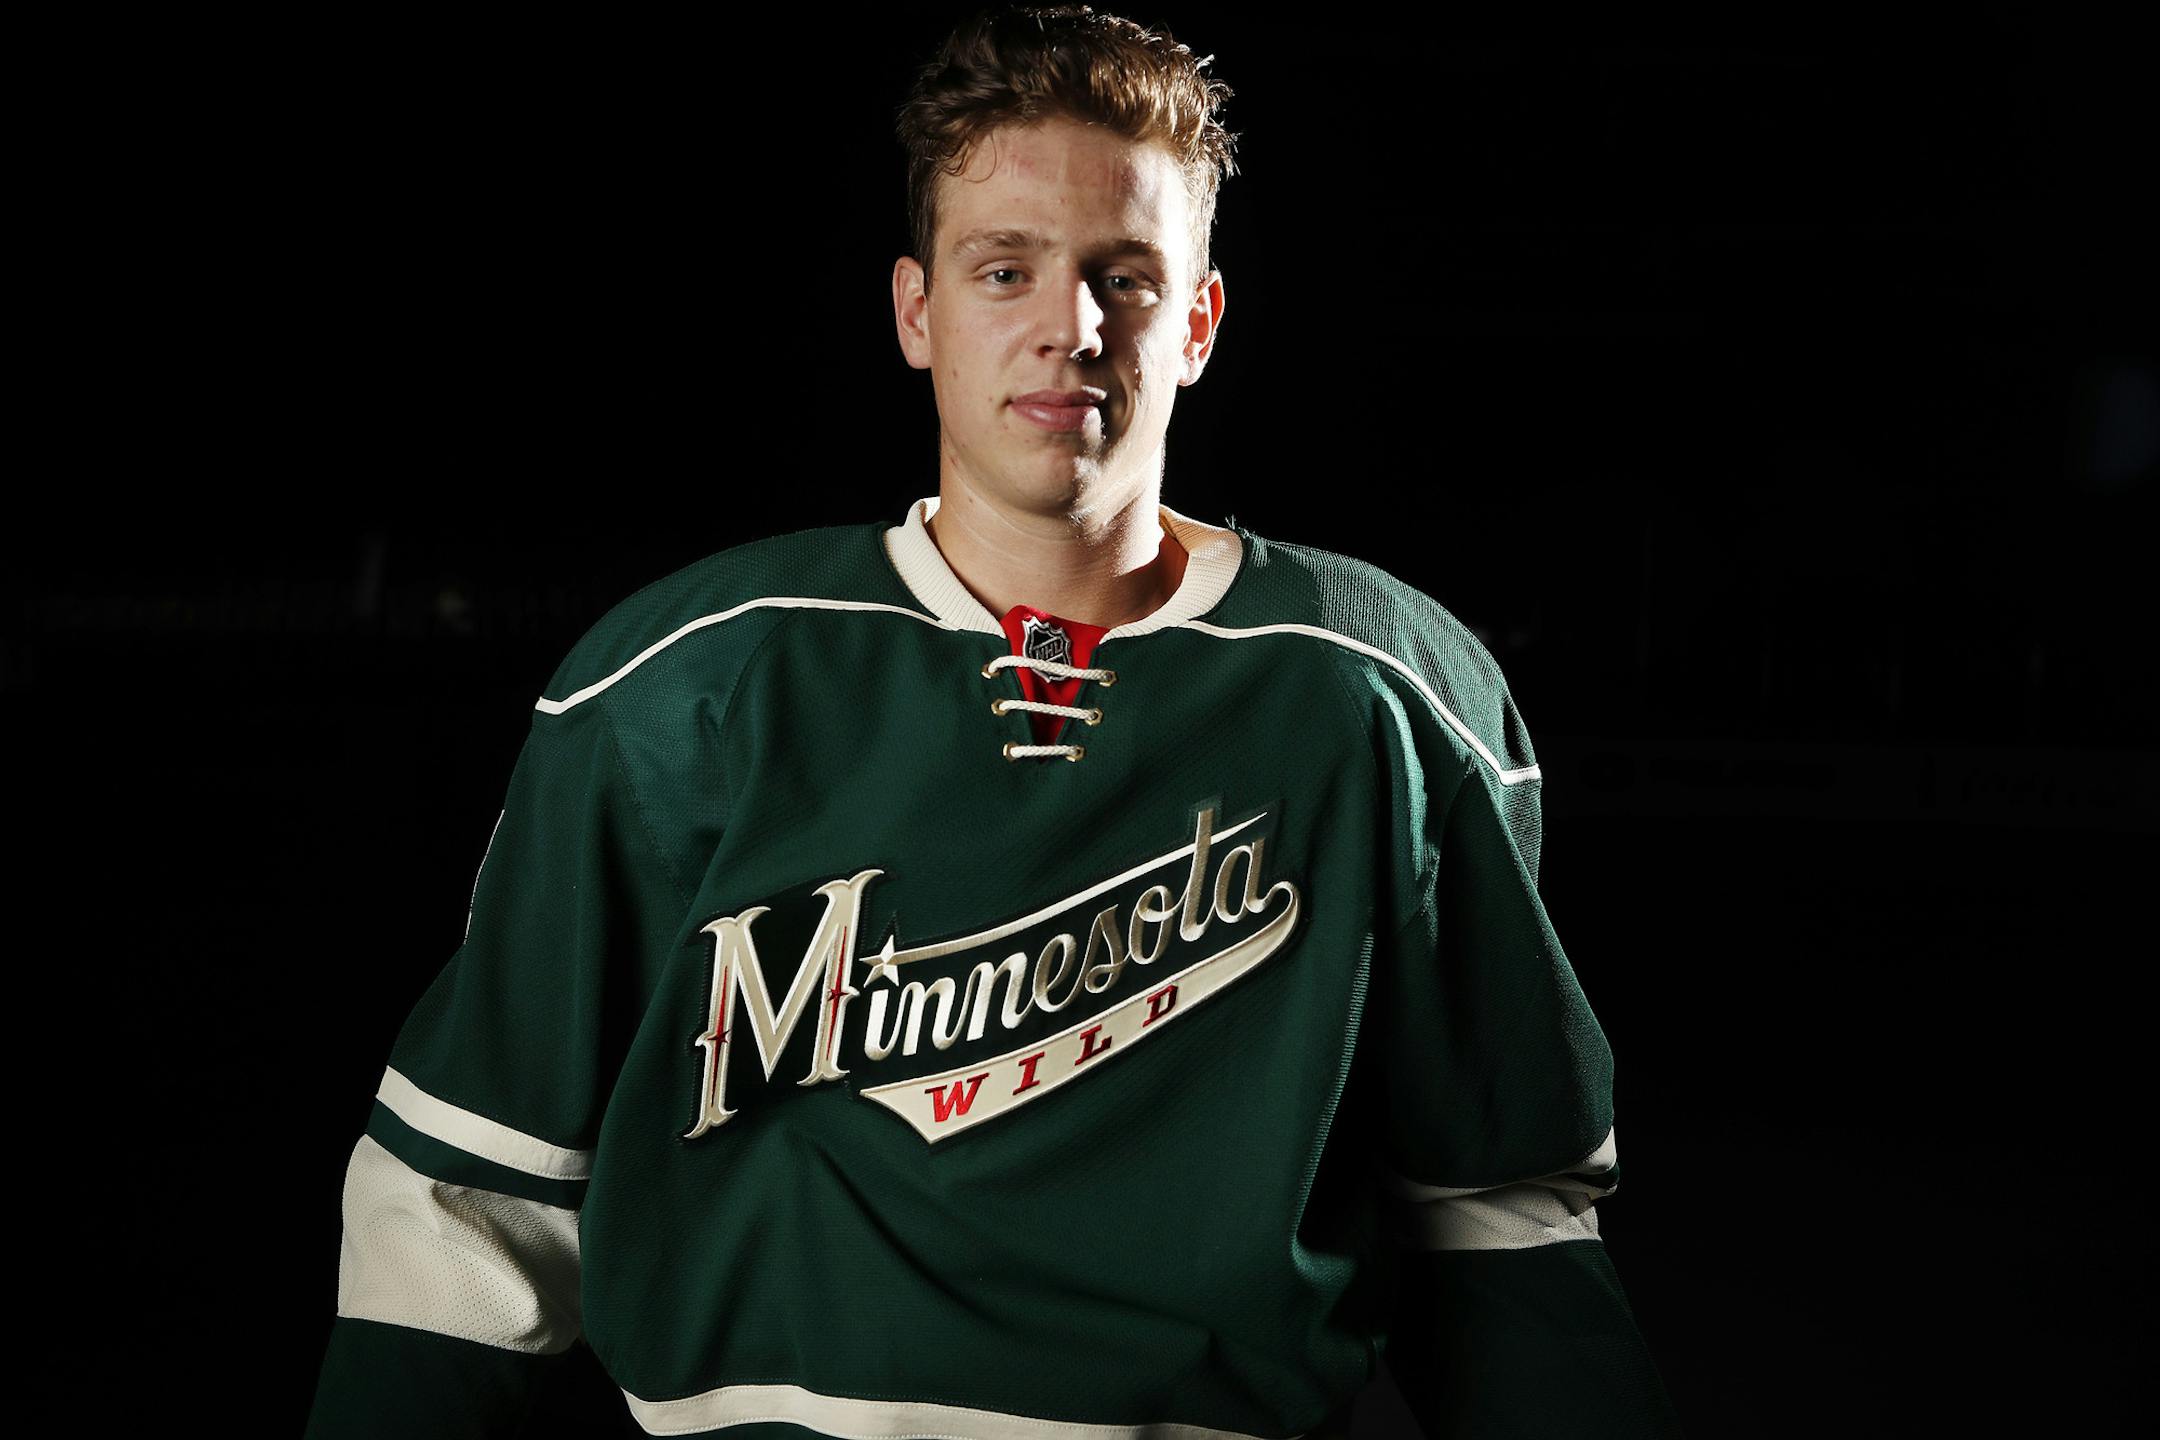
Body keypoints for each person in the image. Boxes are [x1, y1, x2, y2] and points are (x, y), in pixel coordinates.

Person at [305, 6, 1686, 1437]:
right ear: (919, 312)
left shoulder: (1386, 691)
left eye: (1127, 280)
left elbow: (1504, 1229)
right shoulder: (684, 684)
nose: (1068, 329)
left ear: (1202, 322)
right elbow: (468, 1210)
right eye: (1007, 268)